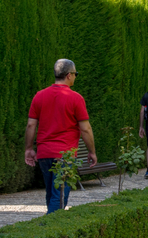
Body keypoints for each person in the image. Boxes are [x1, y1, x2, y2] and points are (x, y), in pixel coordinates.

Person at [24, 59, 96, 214]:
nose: (76, 77)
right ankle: (49, 231)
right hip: (65, 154)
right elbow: (85, 129)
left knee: (51, 194)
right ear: (69, 75)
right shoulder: (76, 98)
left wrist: (29, 148)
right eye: (75, 74)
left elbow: (31, 125)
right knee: (60, 195)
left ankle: (50, 228)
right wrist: (92, 151)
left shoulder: (39, 96)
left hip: (44, 153)